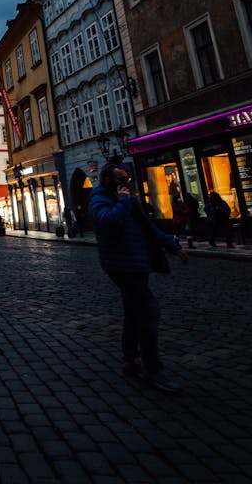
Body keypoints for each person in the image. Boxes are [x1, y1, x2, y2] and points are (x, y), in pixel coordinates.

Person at [90, 162, 189, 393]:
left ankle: (129, 358)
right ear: (108, 181)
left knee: (133, 312)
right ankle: (152, 369)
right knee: (148, 312)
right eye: (121, 180)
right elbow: (107, 223)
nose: (126, 184)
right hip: (121, 265)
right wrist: (124, 201)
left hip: (137, 263)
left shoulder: (128, 200)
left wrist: (172, 246)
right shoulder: (100, 199)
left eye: (127, 180)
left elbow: (147, 227)